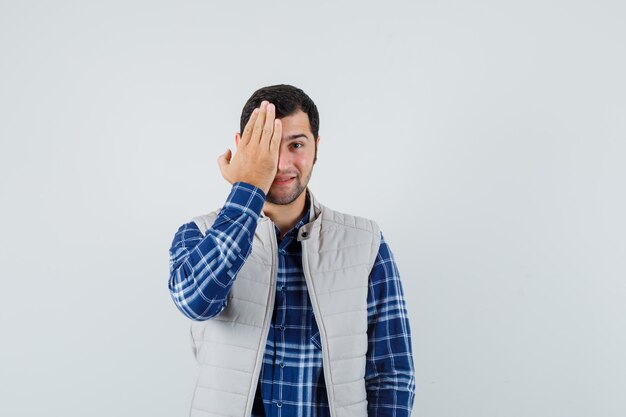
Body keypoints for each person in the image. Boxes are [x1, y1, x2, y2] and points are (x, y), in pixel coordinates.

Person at [168, 84, 415, 417]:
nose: (281, 163)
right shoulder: (198, 234)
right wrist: (249, 185)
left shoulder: (366, 242)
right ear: (242, 148)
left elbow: (391, 374)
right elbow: (195, 301)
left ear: (316, 148)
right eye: (266, 147)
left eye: (296, 144)